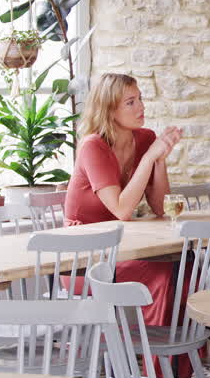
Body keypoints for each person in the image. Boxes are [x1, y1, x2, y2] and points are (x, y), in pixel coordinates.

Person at [64, 72, 183, 326]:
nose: (141, 107)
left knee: (183, 270)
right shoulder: (93, 146)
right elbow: (122, 211)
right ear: (109, 109)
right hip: (84, 258)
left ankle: (172, 361)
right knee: (162, 273)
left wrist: (159, 160)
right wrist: (150, 158)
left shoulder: (144, 138)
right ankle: (154, 359)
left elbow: (161, 207)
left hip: (122, 248)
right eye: (131, 102)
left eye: (140, 99)